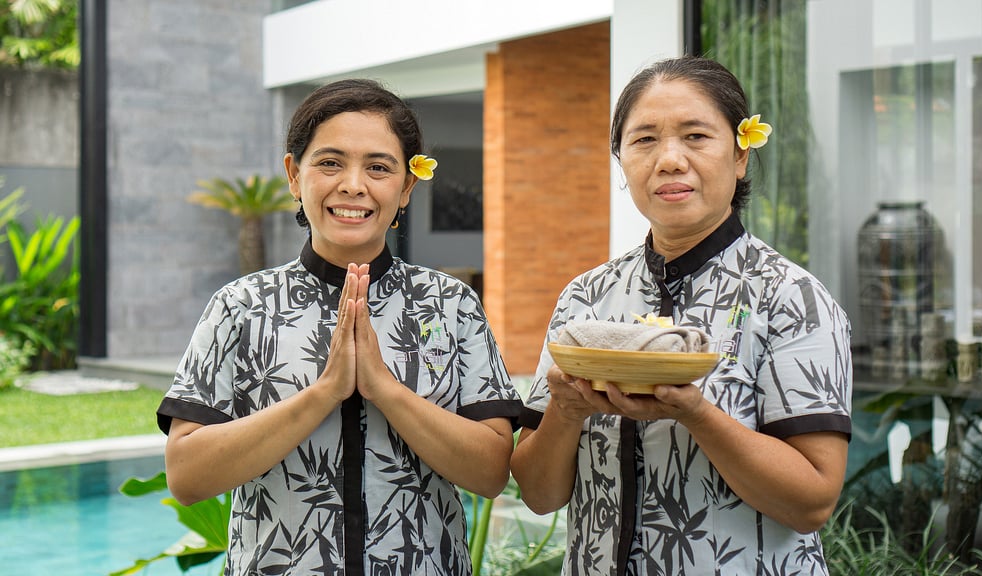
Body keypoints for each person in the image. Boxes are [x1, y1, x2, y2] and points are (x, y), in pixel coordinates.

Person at [157, 78, 522, 575]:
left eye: (379, 167)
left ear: (407, 187)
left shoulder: (451, 305)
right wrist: (324, 391)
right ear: (294, 175)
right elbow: (186, 476)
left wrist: (384, 388)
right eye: (330, 163)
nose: (353, 185)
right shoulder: (239, 307)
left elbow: (492, 472)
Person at [510, 56, 852, 575]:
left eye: (696, 136)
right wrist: (566, 409)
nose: (669, 160)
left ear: (740, 155)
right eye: (644, 140)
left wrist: (695, 412)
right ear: (621, 159)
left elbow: (812, 503)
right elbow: (539, 495)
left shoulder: (791, 298)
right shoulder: (586, 297)